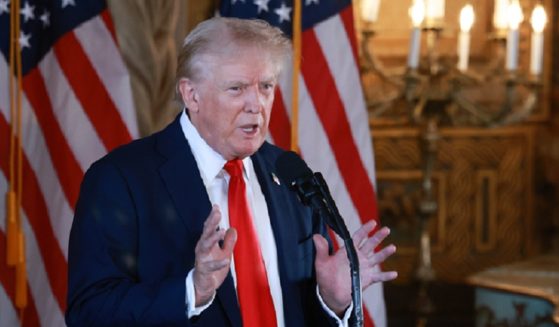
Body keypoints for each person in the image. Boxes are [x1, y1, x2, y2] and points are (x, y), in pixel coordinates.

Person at [66, 17, 397, 327]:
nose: (256, 104)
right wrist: (191, 292)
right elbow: (89, 312)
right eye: (237, 89)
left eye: (265, 86)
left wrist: (333, 300)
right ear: (191, 95)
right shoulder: (121, 179)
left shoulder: (291, 175)